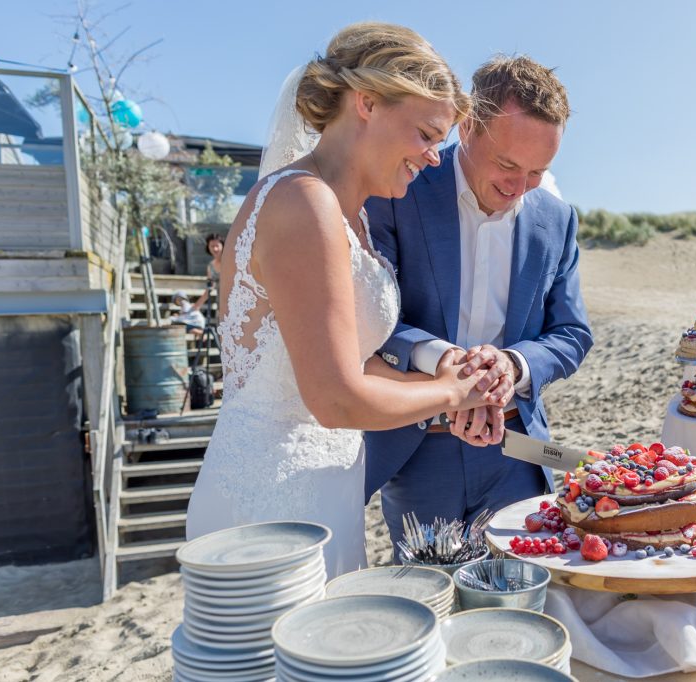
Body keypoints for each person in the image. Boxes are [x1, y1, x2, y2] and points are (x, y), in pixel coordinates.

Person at [186, 23, 511, 578]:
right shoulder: (301, 203)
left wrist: (450, 385)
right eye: (427, 134)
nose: (436, 157)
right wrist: (450, 392)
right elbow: (335, 399)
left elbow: (351, 364)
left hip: (323, 490)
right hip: (270, 502)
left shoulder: (349, 215)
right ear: (366, 103)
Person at [364, 55, 594, 550]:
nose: (519, 188)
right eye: (507, 164)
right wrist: (446, 364)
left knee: (522, 604)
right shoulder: (396, 189)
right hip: (419, 449)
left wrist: (512, 365)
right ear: (466, 126)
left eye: (537, 172)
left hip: (519, 453)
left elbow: (573, 333)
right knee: (433, 598)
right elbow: (369, 314)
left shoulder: (557, 219)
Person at [192, 233, 225, 319]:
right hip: (221, 303)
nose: (215, 249)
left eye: (217, 245)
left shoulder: (230, 261)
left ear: (223, 245)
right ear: (208, 247)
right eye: (212, 246)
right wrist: (196, 306)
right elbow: (209, 289)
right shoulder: (210, 266)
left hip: (235, 300)